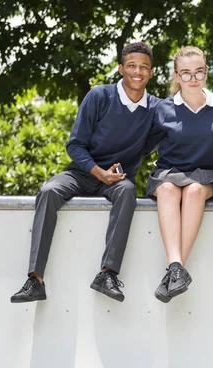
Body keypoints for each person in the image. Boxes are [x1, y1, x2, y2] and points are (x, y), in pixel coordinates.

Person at [10, 42, 160, 303]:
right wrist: (99, 172)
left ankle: (107, 274)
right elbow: (75, 144)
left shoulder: (156, 108)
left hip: (117, 180)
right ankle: (35, 280)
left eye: (144, 67)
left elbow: (162, 140)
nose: (138, 71)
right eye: (132, 66)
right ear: (121, 68)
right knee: (48, 191)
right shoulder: (99, 96)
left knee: (127, 192)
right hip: (82, 172)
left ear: (152, 72)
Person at [147, 46, 213, 303]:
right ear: (175, 76)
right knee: (169, 190)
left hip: (204, 174)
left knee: (194, 191)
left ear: (206, 71)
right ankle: (176, 268)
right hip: (169, 173)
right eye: (185, 73)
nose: (193, 79)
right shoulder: (163, 109)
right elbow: (141, 146)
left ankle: (175, 270)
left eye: (198, 72)